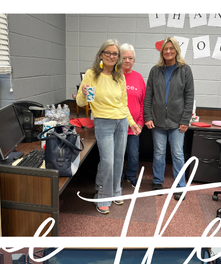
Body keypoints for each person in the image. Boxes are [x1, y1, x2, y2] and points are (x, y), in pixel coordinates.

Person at [77, 39, 137, 214]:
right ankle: (102, 196)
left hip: (121, 122)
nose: (111, 56)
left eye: (115, 54)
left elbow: (124, 104)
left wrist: (132, 123)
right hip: (103, 122)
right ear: (101, 54)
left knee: (119, 160)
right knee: (108, 162)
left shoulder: (119, 76)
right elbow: (81, 103)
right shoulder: (92, 74)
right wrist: (83, 91)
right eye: (108, 53)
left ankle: (116, 191)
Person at [143, 36, 194, 200]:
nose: (168, 51)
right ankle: (157, 181)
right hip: (157, 120)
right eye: (166, 48)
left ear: (176, 50)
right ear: (162, 51)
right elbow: (148, 96)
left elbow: (189, 96)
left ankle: (181, 185)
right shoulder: (155, 70)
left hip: (177, 122)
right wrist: (148, 116)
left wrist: (185, 120)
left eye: (171, 48)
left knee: (177, 154)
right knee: (158, 153)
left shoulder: (185, 70)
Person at [120, 44, 146, 189]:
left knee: (133, 155)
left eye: (130, 58)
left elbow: (143, 102)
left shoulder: (138, 78)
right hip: (117, 125)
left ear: (134, 60)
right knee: (117, 155)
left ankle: (130, 176)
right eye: (124, 58)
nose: (128, 61)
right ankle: (117, 178)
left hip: (134, 126)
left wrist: (140, 122)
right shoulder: (115, 76)